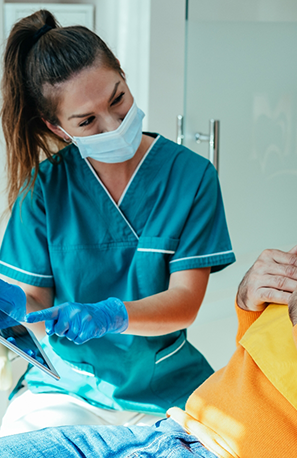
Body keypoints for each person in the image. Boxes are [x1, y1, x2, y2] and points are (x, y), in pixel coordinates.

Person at [2, 27, 297, 458]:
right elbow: (270, 367)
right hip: (179, 427)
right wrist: (250, 305)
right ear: (58, 127)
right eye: (86, 121)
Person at [0, 9, 235, 436]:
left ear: (124, 78)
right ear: (57, 127)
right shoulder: (44, 189)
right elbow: (34, 300)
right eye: (87, 121)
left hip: (167, 387)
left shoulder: (192, 177)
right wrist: (14, 308)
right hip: (69, 388)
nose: (115, 124)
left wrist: (113, 315)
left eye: (118, 98)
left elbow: (185, 303)